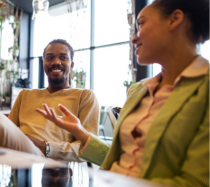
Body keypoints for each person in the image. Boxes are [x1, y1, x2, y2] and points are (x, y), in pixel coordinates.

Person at [36, 0, 209, 186]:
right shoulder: (139, 90)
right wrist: (81, 132)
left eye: (141, 24)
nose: (134, 38)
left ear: (174, 20)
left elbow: (195, 181)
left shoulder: (204, 91)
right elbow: (118, 159)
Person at [0, 39, 99, 162]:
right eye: (50, 58)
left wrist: (45, 147)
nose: (56, 62)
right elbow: (9, 131)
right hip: (17, 156)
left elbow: (88, 148)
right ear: (44, 63)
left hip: (48, 158)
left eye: (63, 58)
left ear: (71, 65)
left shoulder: (85, 96)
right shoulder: (25, 95)